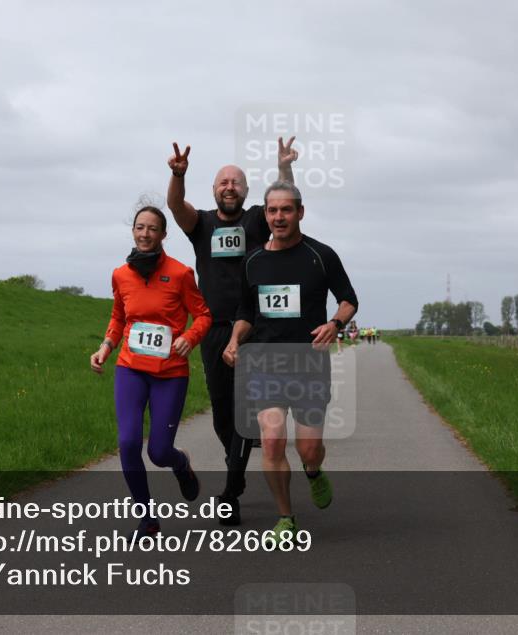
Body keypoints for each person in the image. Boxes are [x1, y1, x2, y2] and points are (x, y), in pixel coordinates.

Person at [166, 138, 297, 526]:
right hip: (213, 330)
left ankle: (230, 489)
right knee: (223, 413)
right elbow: (175, 206)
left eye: (236, 182)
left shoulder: (256, 219)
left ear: (245, 191)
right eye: (223, 182)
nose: (229, 187)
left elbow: (283, 198)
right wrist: (177, 176)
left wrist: (284, 166)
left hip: (254, 329)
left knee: (244, 409)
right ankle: (234, 466)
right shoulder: (202, 224)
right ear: (213, 190)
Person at [222, 180, 358, 539]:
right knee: (271, 439)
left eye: (286, 210)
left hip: (309, 365)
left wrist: (335, 323)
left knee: (309, 449)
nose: (278, 217)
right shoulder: (253, 261)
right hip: (267, 364)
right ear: (264, 214)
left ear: (300, 212)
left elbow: (348, 299)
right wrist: (235, 339)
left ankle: (313, 471)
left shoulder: (321, 255)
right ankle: (286, 517)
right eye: (272, 210)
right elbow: (245, 311)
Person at [91, 205, 212, 539]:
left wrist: (190, 337)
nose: (145, 234)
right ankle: (147, 519)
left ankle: (180, 464)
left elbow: (203, 315)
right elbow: (119, 316)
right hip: (130, 368)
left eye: (152, 229)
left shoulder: (181, 273)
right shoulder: (120, 274)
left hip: (170, 372)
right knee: (128, 443)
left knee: (158, 452)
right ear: (133, 230)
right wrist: (105, 346)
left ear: (163, 234)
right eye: (139, 227)